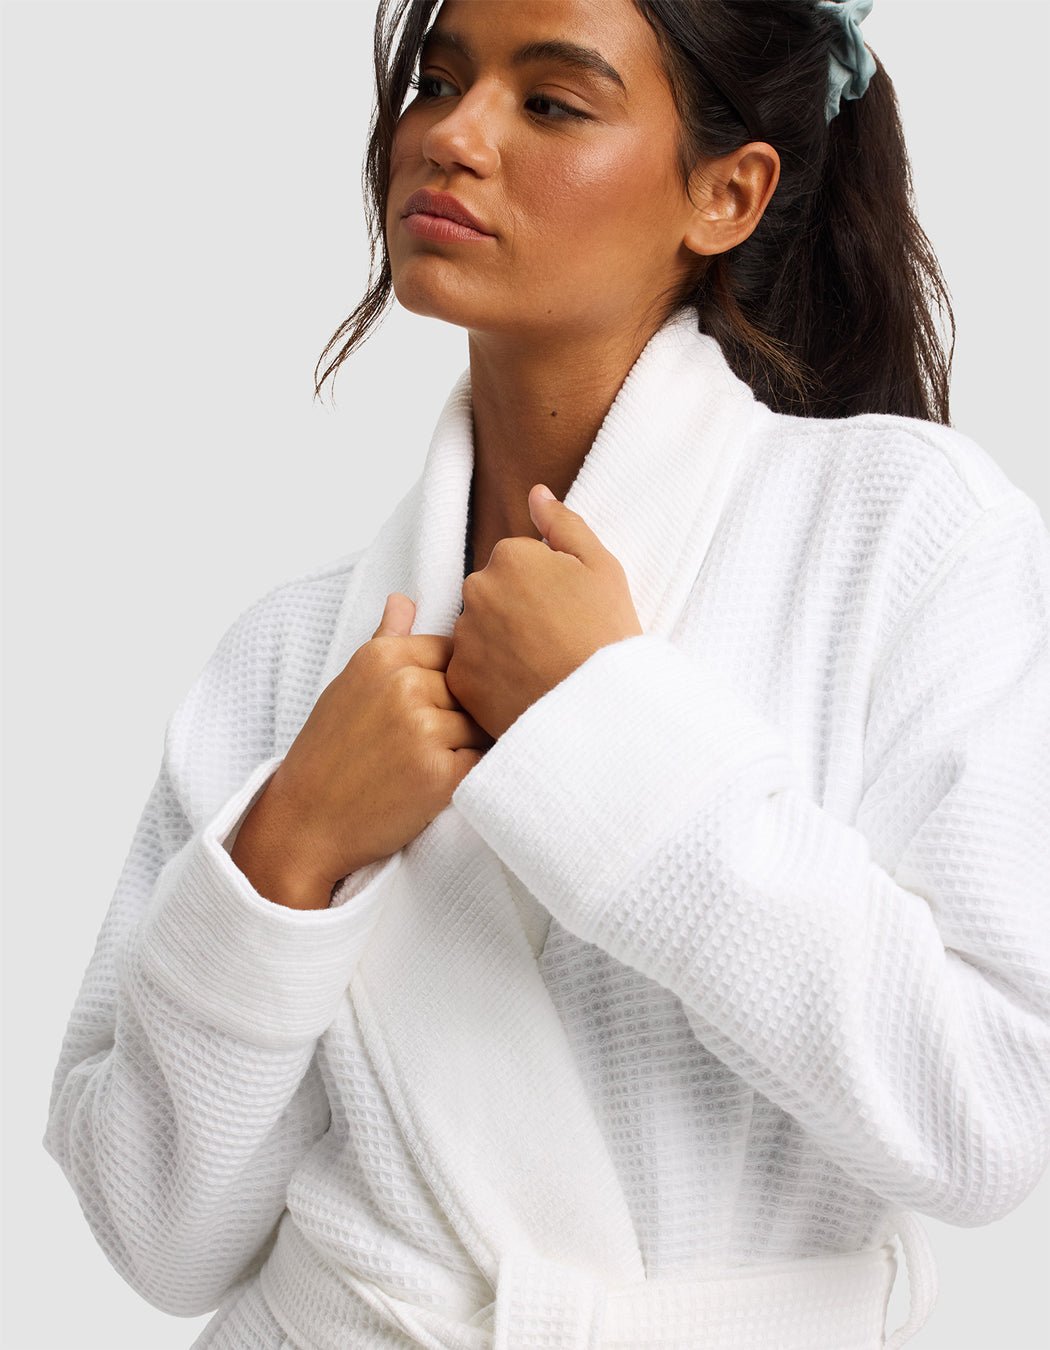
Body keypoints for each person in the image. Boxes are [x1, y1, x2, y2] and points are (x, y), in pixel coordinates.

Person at [43, 1, 1050, 1347]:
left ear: (726, 193)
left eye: (551, 103)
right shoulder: (290, 651)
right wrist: (290, 848)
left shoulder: (908, 539)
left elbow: (986, 1117)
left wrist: (607, 731)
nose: (450, 137)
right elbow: (159, 1241)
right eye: (436, 80)